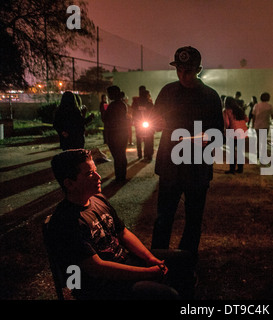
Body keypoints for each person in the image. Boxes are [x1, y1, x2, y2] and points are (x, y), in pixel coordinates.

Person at [45, 149, 196, 299]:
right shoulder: (66, 222)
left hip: (123, 261)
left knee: (184, 259)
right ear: (69, 184)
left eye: (95, 171)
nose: (98, 177)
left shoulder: (97, 199)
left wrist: (150, 258)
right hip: (101, 285)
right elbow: (97, 268)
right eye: (89, 174)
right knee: (167, 295)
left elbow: (122, 232)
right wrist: (148, 273)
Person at [150, 46, 224, 260]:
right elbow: (154, 122)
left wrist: (200, 139)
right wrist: (156, 123)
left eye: (188, 71)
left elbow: (218, 133)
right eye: (179, 70)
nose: (183, 75)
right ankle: (157, 261)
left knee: (193, 220)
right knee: (163, 218)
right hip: (170, 167)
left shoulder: (210, 96)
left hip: (197, 167)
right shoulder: (167, 91)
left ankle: (187, 261)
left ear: (199, 69)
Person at [104, 85, 128, 182]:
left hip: (114, 134)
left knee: (117, 156)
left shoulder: (112, 106)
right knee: (121, 155)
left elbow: (105, 119)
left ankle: (119, 177)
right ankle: (122, 176)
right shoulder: (122, 104)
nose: (108, 95)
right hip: (123, 132)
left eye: (109, 93)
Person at [223, 96, 249, 174]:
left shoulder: (226, 111)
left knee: (232, 152)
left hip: (233, 132)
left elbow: (227, 123)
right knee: (240, 151)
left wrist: (225, 130)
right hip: (242, 132)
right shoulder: (239, 109)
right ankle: (240, 169)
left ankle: (232, 169)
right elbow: (247, 119)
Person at [132, 88, 155, 161]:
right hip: (140, 124)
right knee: (145, 139)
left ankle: (147, 155)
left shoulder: (149, 103)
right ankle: (142, 154)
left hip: (147, 124)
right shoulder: (137, 103)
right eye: (148, 95)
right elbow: (134, 113)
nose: (149, 96)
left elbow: (154, 113)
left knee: (147, 139)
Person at [252, 92, 273, 160]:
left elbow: (254, 116)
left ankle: (258, 153)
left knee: (258, 139)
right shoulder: (269, 106)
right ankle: (263, 153)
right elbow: (272, 116)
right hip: (265, 125)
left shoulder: (256, 105)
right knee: (264, 140)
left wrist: (253, 124)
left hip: (257, 125)